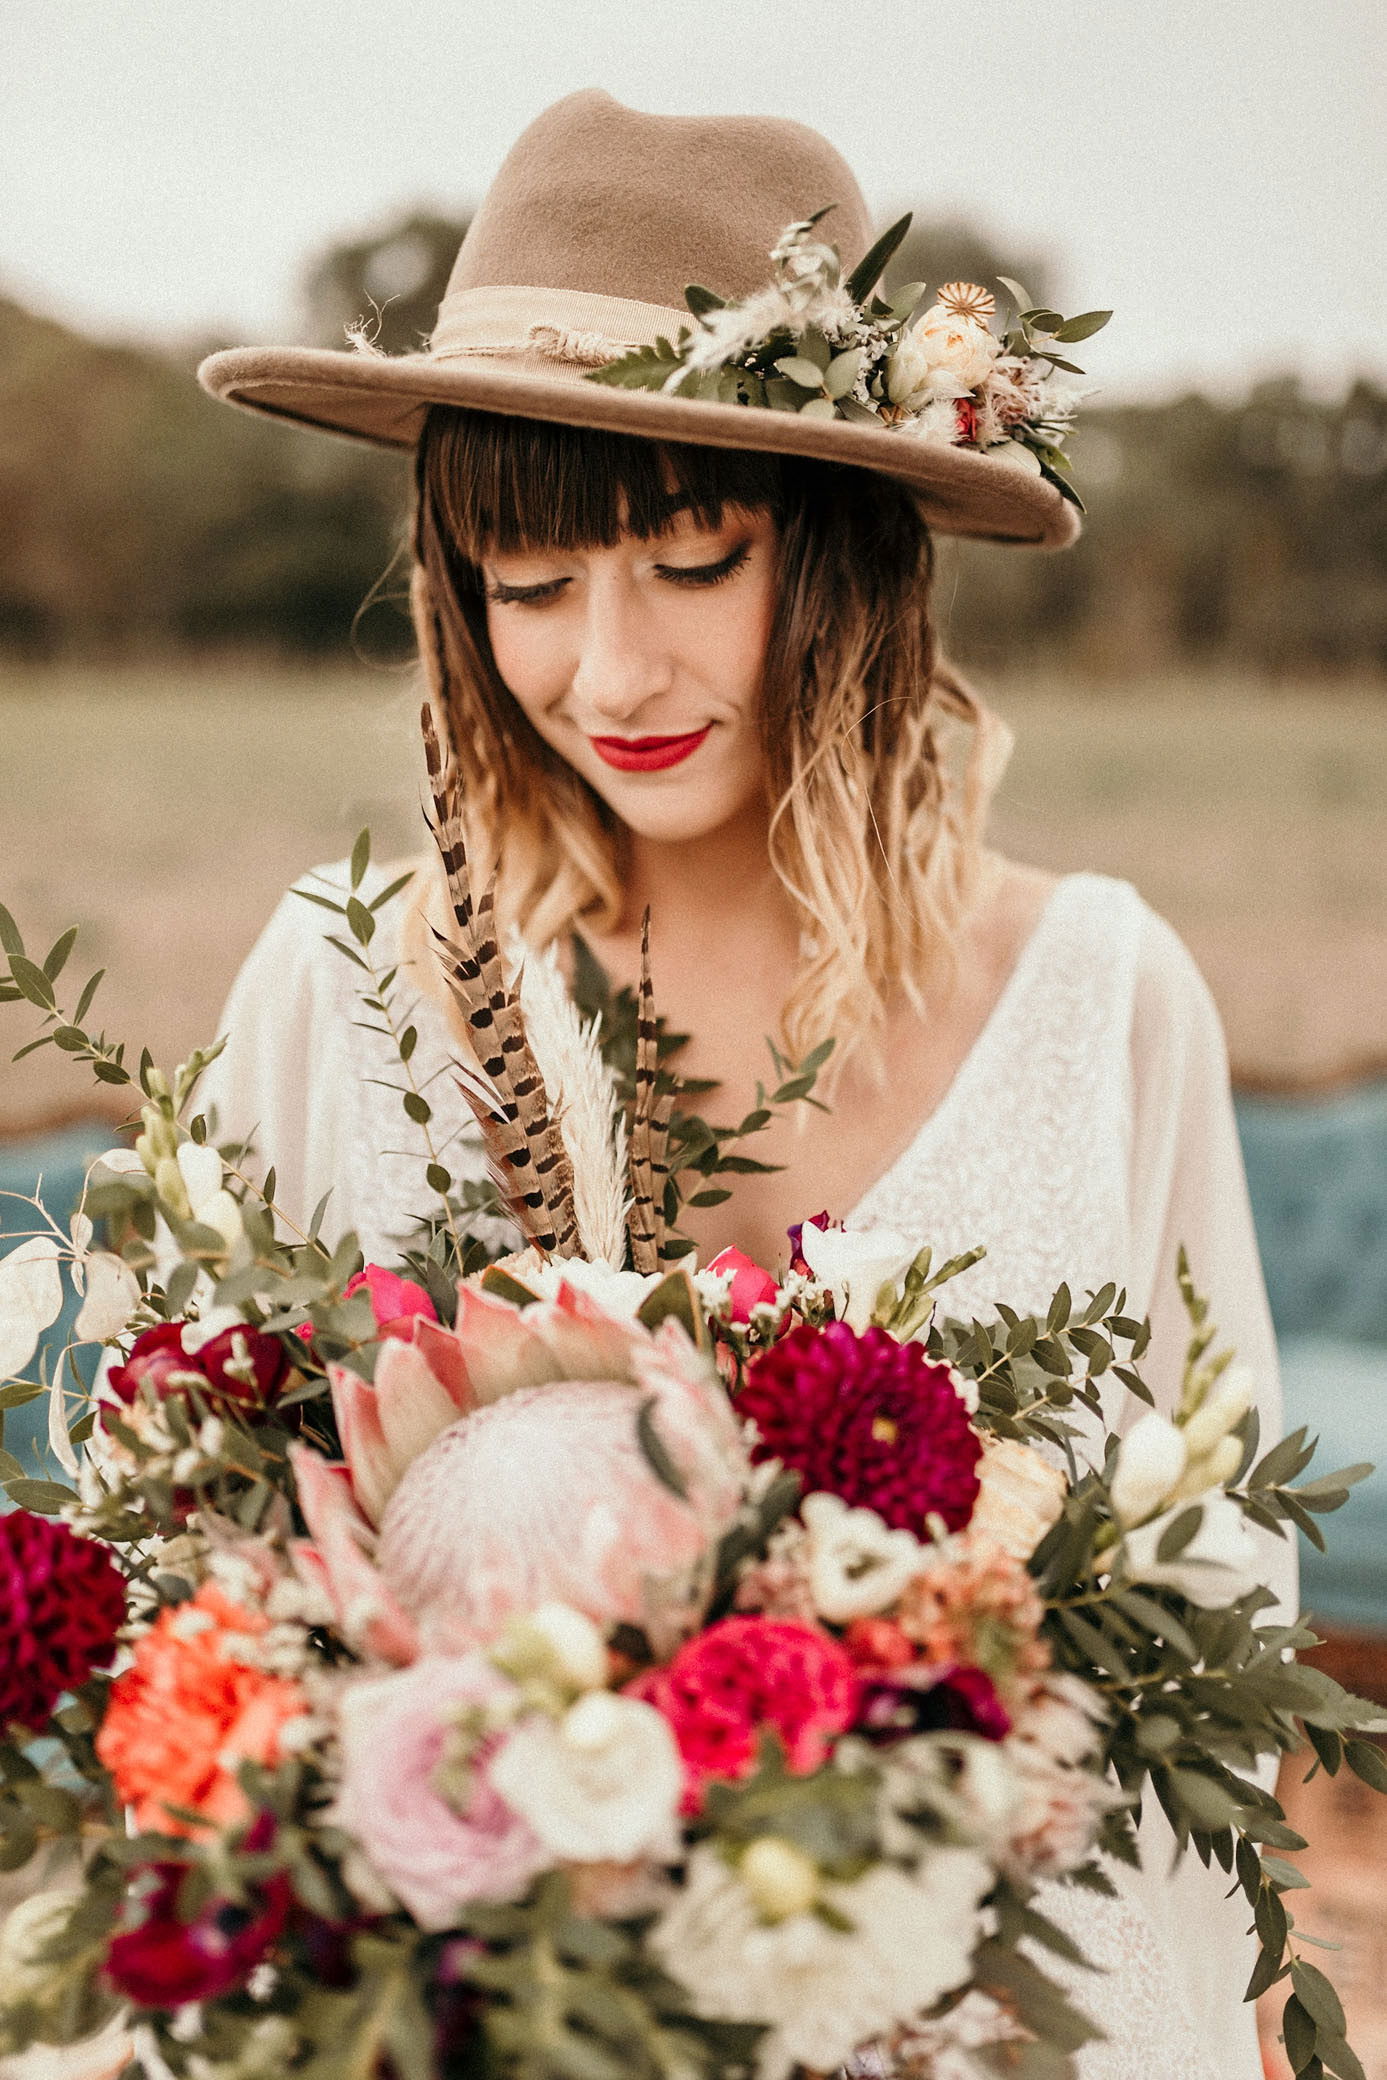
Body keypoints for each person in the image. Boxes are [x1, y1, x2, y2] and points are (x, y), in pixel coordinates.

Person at [198, 90, 1293, 2080]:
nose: (607, 671)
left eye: (687, 556)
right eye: (526, 585)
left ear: (847, 550)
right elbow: (200, 1593)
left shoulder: (1102, 996)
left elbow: (1207, 1608)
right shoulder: (340, 987)